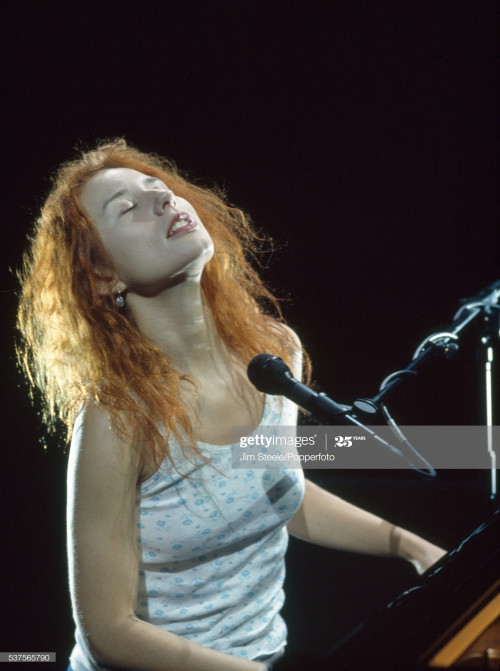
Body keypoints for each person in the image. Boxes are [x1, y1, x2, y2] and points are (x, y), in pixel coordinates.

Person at [16, 139, 446, 671]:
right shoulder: (118, 416)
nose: (163, 202)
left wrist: (413, 547)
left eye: (160, 189)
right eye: (127, 209)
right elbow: (109, 633)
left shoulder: (272, 349)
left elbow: (276, 488)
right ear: (103, 276)